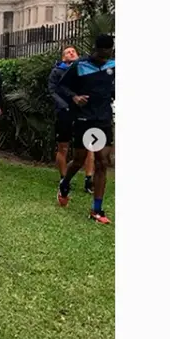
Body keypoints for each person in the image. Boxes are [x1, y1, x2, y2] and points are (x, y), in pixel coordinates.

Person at [56, 34, 115, 224]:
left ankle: (97, 209)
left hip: (103, 118)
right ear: (95, 50)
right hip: (84, 118)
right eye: (101, 53)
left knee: (102, 161)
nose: (104, 57)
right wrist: (74, 97)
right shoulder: (80, 65)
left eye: (108, 53)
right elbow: (62, 86)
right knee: (80, 159)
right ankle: (64, 184)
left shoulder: (113, 66)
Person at [49, 46, 95, 192]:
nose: (71, 53)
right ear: (63, 57)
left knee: (89, 146)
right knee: (63, 146)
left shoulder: (84, 70)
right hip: (64, 112)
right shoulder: (57, 72)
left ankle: (89, 179)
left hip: (83, 113)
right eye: (68, 52)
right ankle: (64, 178)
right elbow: (52, 91)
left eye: (74, 51)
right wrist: (64, 106)